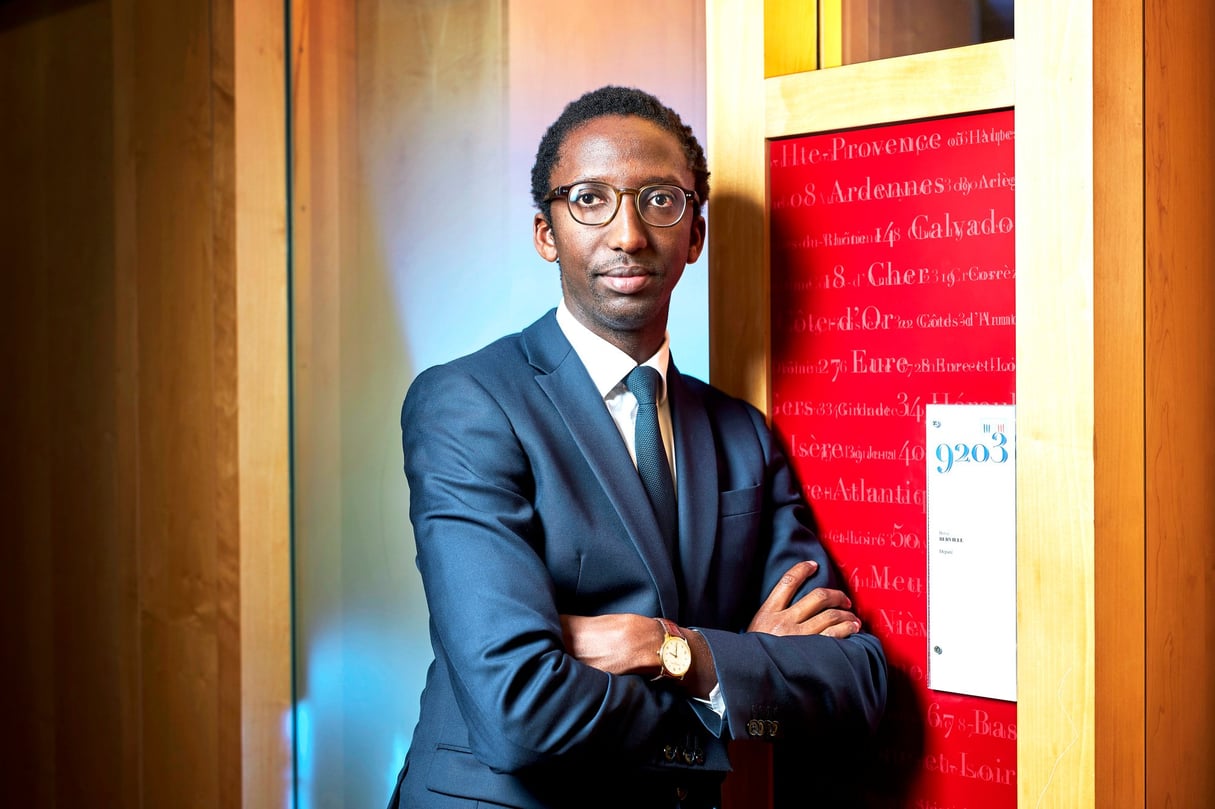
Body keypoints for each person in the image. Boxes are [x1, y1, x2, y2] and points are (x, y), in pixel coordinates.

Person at [387, 86, 887, 809]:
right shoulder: (468, 404)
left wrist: (662, 648)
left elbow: (855, 681)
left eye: (659, 200)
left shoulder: (740, 434)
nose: (627, 233)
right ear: (545, 232)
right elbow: (518, 707)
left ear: (695, 235)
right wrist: (727, 674)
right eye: (589, 199)